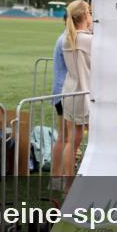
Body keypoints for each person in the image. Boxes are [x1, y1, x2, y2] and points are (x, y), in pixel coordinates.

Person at [57, 0, 91, 182]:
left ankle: (67, 184)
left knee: (72, 141)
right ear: (84, 16)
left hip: (70, 91)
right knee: (93, 140)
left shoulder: (67, 37)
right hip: (84, 93)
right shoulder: (86, 39)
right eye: (90, 13)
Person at [48, 13, 68, 183]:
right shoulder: (66, 39)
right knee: (65, 137)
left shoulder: (65, 37)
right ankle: (57, 178)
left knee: (66, 137)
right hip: (65, 92)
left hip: (62, 91)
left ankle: (58, 177)